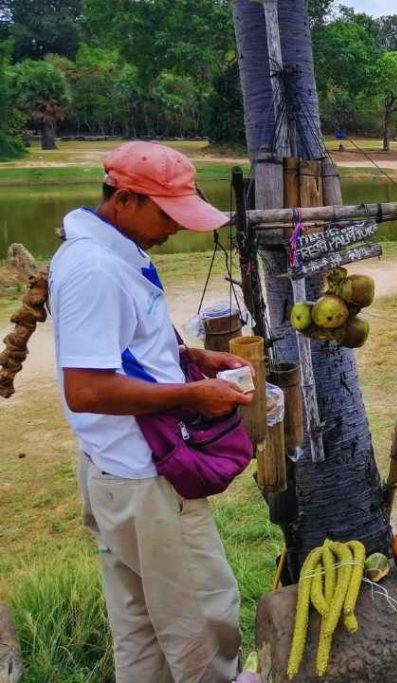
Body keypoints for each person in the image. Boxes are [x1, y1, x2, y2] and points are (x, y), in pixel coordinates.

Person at [50, 141, 254, 682]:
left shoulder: (113, 250)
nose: (176, 229)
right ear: (125, 199)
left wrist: (189, 357)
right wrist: (193, 395)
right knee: (201, 620)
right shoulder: (94, 267)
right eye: (168, 214)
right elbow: (87, 390)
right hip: (147, 479)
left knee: (140, 625)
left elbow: (120, 349)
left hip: (120, 474)